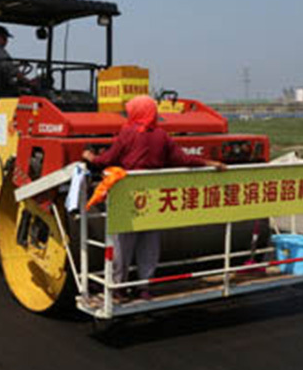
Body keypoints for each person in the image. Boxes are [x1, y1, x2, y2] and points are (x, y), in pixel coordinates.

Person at [82, 95, 226, 301]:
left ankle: (118, 288)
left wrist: (91, 158)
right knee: (149, 243)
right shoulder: (162, 135)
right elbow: (182, 159)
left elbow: (108, 159)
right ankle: (144, 287)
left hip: (128, 195)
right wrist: (210, 163)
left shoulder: (127, 132)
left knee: (123, 243)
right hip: (154, 195)